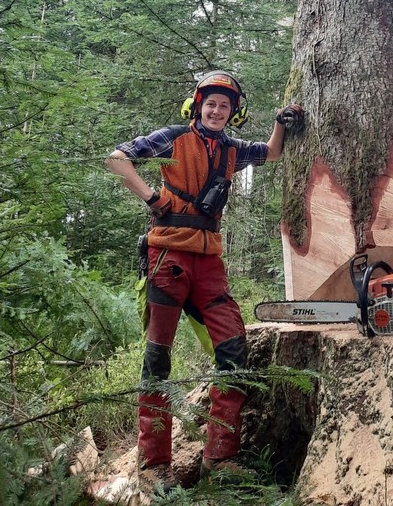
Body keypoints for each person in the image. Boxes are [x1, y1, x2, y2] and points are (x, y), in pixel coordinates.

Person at [105, 69, 302, 492]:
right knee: (158, 359)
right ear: (198, 105)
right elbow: (116, 159)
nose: (216, 110)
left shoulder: (232, 148)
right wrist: (152, 197)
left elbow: (271, 154)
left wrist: (280, 125)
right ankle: (154, 464)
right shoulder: (174, 137)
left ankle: (221, 458)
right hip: (169, 256)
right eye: (211, 103)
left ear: (234, 112)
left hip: (210, 259)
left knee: (232, 349)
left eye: (225, 106)